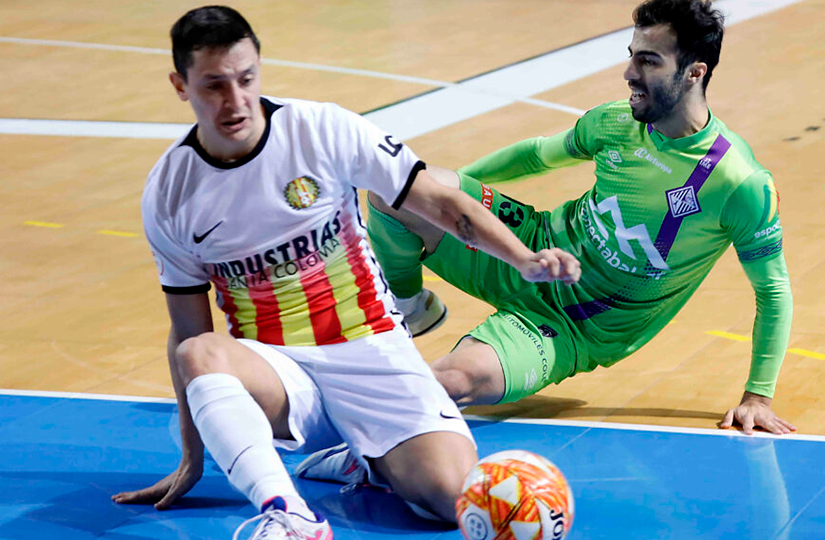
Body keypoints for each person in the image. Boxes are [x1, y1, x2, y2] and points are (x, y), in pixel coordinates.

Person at [110, 6, 580, 540]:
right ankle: (288, 513)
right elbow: (190, 330)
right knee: (197, 352)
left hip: (371, 353)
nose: (236, 101)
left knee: (451, 498)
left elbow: (440, 202)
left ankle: (364, 459)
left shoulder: (322, 130)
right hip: (281, 377)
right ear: (181, 85)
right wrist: (190, 460)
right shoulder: (170, 193)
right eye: (214, 85)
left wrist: (523, 257)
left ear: (259, 68)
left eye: (246, 79)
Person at [362, 0, 796, 436]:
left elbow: (772, 289)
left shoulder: (739, 182)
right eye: (631, 55)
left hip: (573, 325)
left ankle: (341, 422)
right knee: (398, 185)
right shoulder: (615, 122)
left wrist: (758, 396)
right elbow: (536, 156)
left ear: (694, 73)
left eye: (648, 60)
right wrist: (450, 190)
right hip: (530, 245)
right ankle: (410, 307)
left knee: (453, 379)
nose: (629, 72)